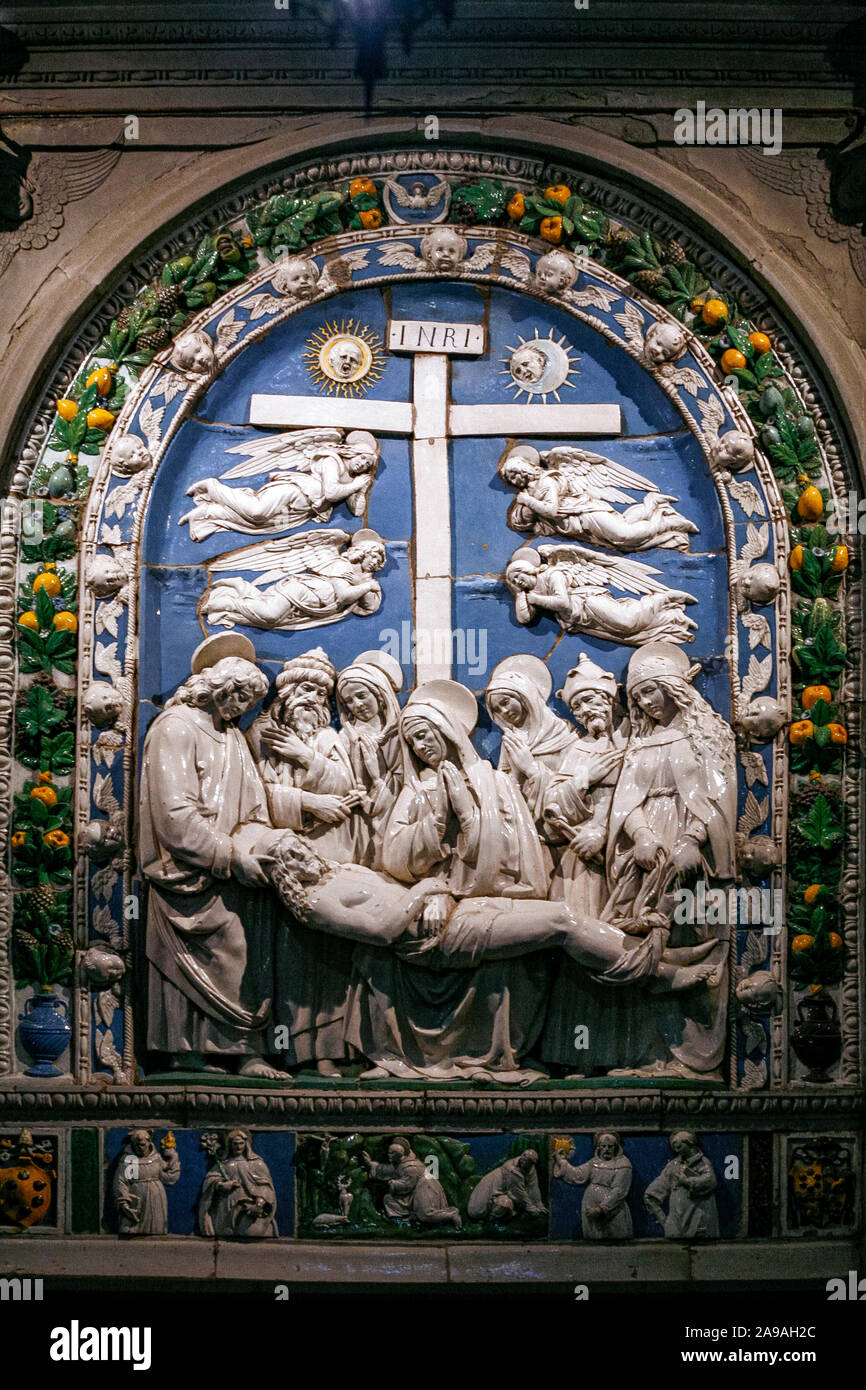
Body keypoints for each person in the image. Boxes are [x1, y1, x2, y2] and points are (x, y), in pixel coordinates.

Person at [140, 634, 285, 1078]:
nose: (242, 706)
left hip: (235, 872)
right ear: (216, 685)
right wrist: (227, 854)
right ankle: (186, 1051)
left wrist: (263, 846)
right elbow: (173, 812)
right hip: (188, 873)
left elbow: (255, 805)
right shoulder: (176, 727)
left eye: (251, 699)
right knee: (199, 960)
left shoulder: (233, 738)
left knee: (247, 952)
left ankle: (246, 1049)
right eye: (238, 693)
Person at [602, 642, 737, 1079]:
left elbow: (719, 794)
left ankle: (694, 1057)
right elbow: (626, 799)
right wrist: (640, 836)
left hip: (693, 853)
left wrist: (693, 840)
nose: (644, 703)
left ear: (673, 688)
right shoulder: (640, 745)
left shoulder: (707, 735)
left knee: (692, 938)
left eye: (650, 692)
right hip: (645, 856)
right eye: (637, 696)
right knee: (640, 944)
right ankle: (645, 1053)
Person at [249, 649, 360, 1078]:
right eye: (305, 688)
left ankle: (333, 1049)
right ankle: (291, 1050)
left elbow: (347, 787)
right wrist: (308, 800)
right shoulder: (262, 733)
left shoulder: (329, 740)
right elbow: (252, 797)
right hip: (285, 861)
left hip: (331, 854)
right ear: (287, 691)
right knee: (291, 957)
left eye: (320, 691)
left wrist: (306, 757)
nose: (312, 698)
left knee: (332, 954)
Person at [484, 654, 575, 835]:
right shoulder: (511, 740)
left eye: (505, 702)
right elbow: (504, 787)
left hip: (562, 826)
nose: (504, 711)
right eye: (497, 709)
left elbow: (577, 786)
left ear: (524, 695)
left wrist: (532, 769)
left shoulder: (564, 733)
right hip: (524, 828)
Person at [335, 649, 404, 868]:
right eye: (349, 701)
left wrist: (378, 777)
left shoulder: (400, 732)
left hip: (395, 815)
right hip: (358, 822)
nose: (357, 705)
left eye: (361, 695)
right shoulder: (346, 737)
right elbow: (339, 777)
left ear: (379, 693)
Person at [362, 1138, 462, 1227]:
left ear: (399, 1155)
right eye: (389, 1152)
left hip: (426, 1189)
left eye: (391, 1153)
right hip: (413, 1194)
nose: (388, 1155)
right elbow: (387, 1170)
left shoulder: (411, 1167)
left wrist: (394, 1183)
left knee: (426, 1215)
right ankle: (403, 1221)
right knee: (388, 1199)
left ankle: (451, 1215)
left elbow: (407, 1185)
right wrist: (371, 1164)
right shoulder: (401, 1163)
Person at [198, 1129, 278, 1238]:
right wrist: (221, 1185)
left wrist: (259, 1205)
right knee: (225, 1232)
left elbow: (266, 1187)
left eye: (241, 1143)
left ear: (246, 1144)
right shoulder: (224, 1164)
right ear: (230, 1145)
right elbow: (210, 1180)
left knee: (250, 1232)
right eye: (235, 1144)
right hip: (226, 1207)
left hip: (249, 1208)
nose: (238, 1147)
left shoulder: (257, 1164)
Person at [553, 1132, 633, 1239]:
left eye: (610, 1146)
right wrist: (562, 1161)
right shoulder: (594, 1162)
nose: (606, 1149)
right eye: (603, 1146)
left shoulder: (623, 1165)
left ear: (616, 1147)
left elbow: (619, 1191)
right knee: (594, 1237)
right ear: (599, 1147)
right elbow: (578, 1175)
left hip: (612, 1209)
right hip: (590, 1205)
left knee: (614, 1238)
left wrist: (601, 1209)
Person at [644, 1131, 719, 1239]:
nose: (675, 1147)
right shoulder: (673, 1165)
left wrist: (687, 1181)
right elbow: (661, 1183)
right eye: (674, 1146)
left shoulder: (703, 1162)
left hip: (698, 1216)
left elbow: (710, 1181)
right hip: (676, 1219)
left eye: (679, 1145)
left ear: (690, 1143)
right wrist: (652, 1194)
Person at [112, 1130, 180, 1236]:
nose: (140, 1148)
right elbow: (122, 1182)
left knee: (156, 1228)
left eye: (143, 1145)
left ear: (149, 1143)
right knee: (131, 1229)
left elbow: (168, 1178)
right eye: (136, 1145)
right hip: (137, 1199)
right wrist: (124, 1203)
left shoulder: (156, 1158)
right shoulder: (131, 1160)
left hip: (156, 1200)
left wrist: (173, 1158)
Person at [467, 1149, 546, 1223]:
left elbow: (533, 1187)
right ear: (522, 1157)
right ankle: (492, 1220)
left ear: (532, 1163)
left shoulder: (531, 1168)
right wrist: (531, 1208)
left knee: (507, 1202)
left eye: (528, 1161)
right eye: (524, 1158)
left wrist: (539, 1204)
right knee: (505, 1203)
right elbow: (518, 1194)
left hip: (499, 1194)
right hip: (480, 1207)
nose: (524, 1161)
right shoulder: (512, 1171)